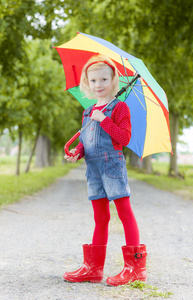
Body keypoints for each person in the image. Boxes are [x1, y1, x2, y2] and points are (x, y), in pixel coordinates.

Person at [63, 54, 147, 286]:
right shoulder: (88, 111)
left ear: (114, 81)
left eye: (103, 79)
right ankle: (93, 268)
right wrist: (77, 152)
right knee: (100, 217)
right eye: (93, 81)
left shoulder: (119, 108)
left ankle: (135, 268)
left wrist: (105, 121)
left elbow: (125, 137)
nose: (98, 85)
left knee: (124, 212)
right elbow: (86, 140)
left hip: (112, 166)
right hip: (93, 169)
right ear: (86, 83)